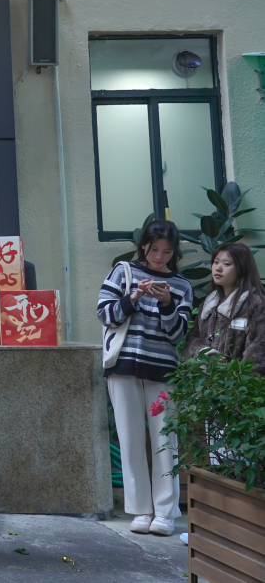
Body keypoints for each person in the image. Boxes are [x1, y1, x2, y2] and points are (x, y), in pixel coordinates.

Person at [97, 219, 192, 538]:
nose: (159, 257)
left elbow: (178, 335)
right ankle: (140, 510)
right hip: (123, 367)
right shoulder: (123, 272)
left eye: (166, 252)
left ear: (174, 252)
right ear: (143, 247)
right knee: (130, 439)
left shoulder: (181, 286)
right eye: (154, 250)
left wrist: (167, 303)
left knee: (166, 440)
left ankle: (165, 512)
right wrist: (134, 297)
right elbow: (105, 314)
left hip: (163, 370)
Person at [184, 241, 265, 374]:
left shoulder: (257, 305)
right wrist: (206, 354)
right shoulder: (208, 305)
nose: (218, 268)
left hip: (239, 384)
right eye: (216, 262)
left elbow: (259, 352)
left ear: (242, 268)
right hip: (204, 383)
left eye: (226, 264)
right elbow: (191, 341)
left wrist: (234, 377)